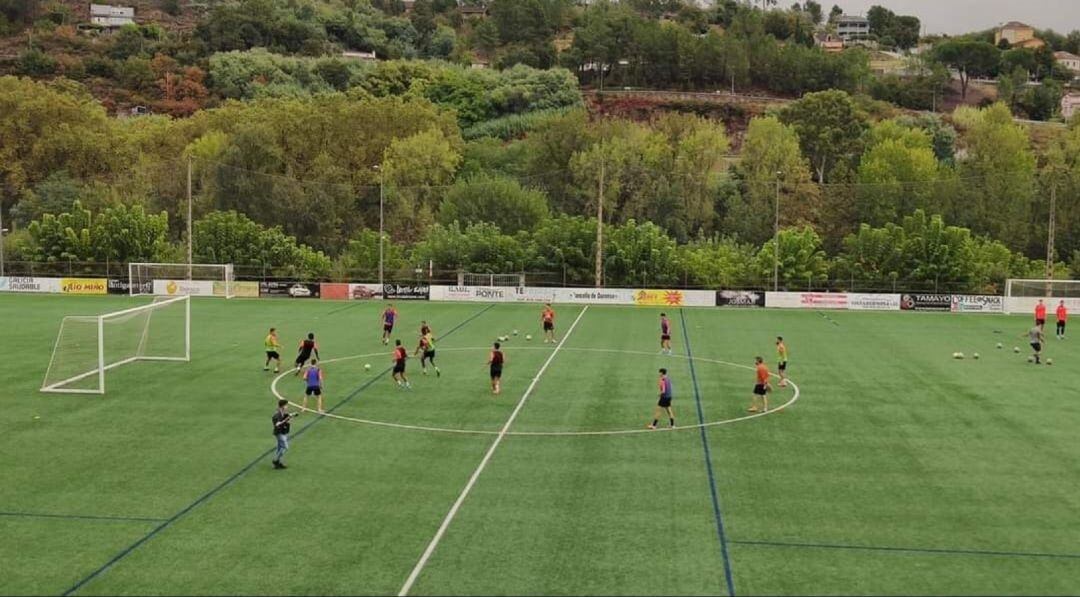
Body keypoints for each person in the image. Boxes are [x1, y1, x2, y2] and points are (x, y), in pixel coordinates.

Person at [271, 399, 297, 470]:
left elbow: (285, 417)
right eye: (286, 405)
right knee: (285, 447)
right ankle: (276, 460)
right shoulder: (277, 414)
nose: (287, 406)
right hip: (279, 433)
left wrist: (292, 415)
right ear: (283, 406)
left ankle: (278, 463)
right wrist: (287, 419)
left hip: (283, 432)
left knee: (279, 448)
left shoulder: (282, 412)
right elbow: (278, 424)